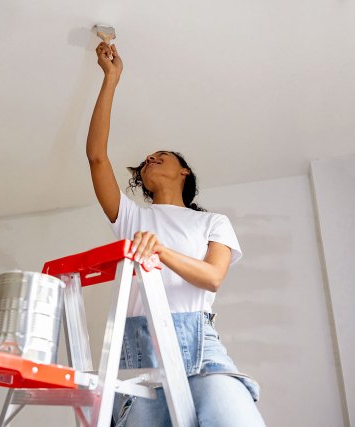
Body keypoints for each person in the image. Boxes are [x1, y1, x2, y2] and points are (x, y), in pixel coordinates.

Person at [86, 41, 266, 426]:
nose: (150, 158)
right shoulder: (131, 218)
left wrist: (160, 252)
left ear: (184, 172)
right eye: (146, 160)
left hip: (202, 355)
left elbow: (213, 277)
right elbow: (97, 157)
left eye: (161, 156)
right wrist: (111, 80)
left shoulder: (212, 223)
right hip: (143, 368)